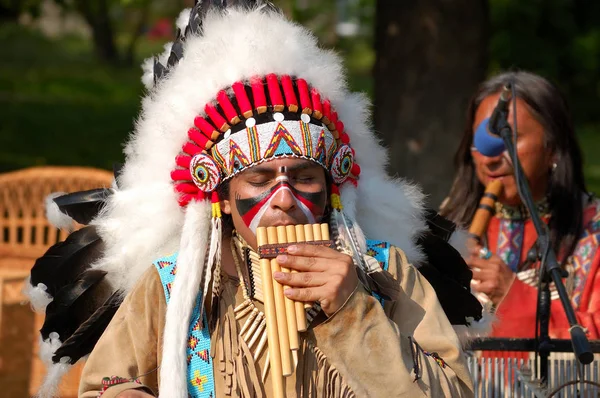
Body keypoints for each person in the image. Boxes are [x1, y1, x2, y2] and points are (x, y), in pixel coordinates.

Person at [25, 2, 482, 397]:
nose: (284, 199)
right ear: (222, 196)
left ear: (330, 191)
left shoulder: (387, 275)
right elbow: (105, 384)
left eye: (304, 177)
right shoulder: (175, 286)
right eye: (260, 179)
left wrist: (352, 310)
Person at [441, 70, 600, 341]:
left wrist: (512, 296)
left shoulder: (593, 230)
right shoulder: (449, 224)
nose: (490, 159)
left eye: (509, 139)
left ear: (553, 147)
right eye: (481, 142)